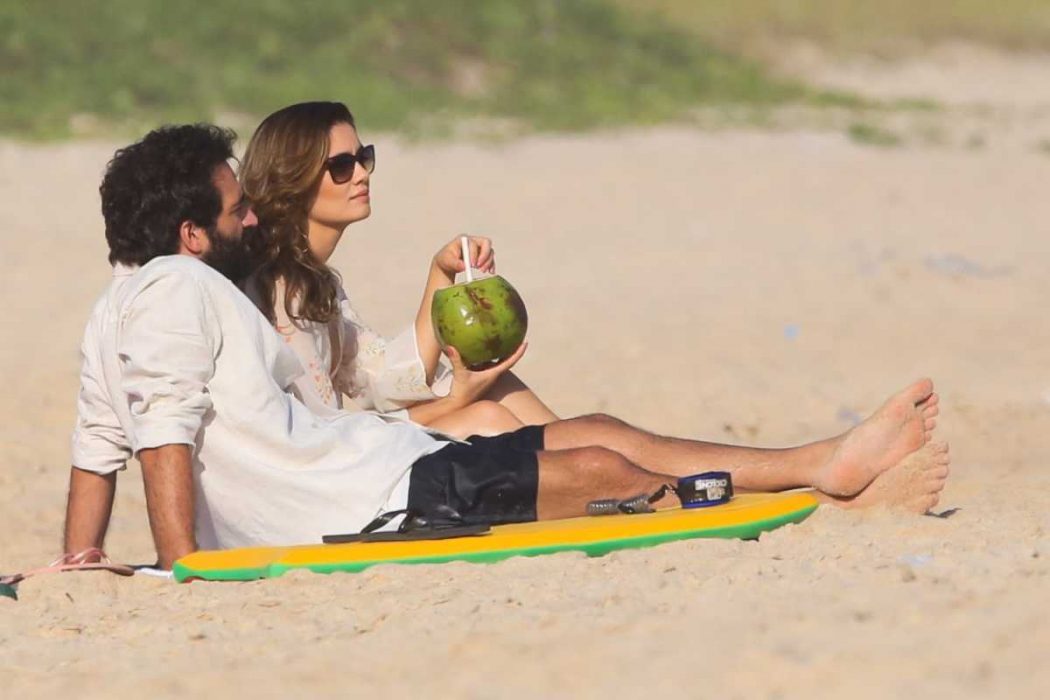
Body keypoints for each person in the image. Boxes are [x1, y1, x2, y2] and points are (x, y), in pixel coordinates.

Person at [63, 124, 949, 570]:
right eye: (232, 208)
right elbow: (161, 433)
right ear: (189, 234)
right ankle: (830, 498)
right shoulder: (185, 290)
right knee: (606, 470)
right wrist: (184, 569)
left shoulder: (118, 312)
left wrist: (84, 561)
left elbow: (97, 449)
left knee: (598, 442)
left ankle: (823, 465)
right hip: (376, 495)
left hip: (385, 465)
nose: (248, 213)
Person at [239, 101, 553, 439]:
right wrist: (455, 400)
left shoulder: (314, 279)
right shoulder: (278, 288)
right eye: (342, 166)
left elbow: (378, 376)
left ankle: (591, 460)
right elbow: (318, 432)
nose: (362, 174)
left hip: (334, 449)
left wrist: (442, 273)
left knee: (495, 384)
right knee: (485, 416)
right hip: (320, 467)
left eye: (364, 158)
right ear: (293, 178)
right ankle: (586, 473)